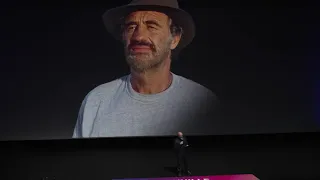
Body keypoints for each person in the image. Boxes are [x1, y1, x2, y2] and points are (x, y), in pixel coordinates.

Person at [72, 0, 219, 138]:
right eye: (131, 27)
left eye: (151, 26)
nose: (139, 36)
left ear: (175, 39)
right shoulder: (96, 102)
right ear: (123, 36)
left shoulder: (203, 104)